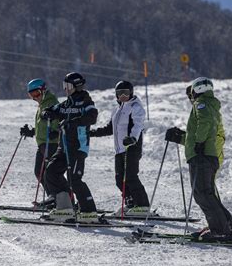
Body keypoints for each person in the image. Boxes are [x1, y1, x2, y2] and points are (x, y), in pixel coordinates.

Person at [165, 77, 232, 240]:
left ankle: (220, 229)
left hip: (203, 157)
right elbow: (201, 133)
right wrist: (180, 137)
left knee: (203, 194)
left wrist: (198, 142)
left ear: (196, 91)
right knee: (207, 193)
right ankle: (227, 227)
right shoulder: (210, 106)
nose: (191, 99)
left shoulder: (202, 104)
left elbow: (204, 127)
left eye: (191, 95)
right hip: (207, 156)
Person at [41, 72, 99, 223]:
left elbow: (92, 117)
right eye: (64, 86)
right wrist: (48, 112)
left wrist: (72, 122)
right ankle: (65, 207)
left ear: (77, 86)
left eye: (67, 86)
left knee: (74, 179)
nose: (65, 89)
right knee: (51, 171)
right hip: (64, 146)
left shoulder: (85, 101)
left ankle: (89, 211)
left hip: (78, 147)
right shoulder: (67, 103)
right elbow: (56, 109)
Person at [90, 80, 150, 216]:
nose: (123, 96)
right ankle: (131, 203)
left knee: (130, 176)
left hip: (131, 147)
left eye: (126, 93)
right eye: (119, 93)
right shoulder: (117, 110)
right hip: (120, 149)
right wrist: (92, 133)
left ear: (131, 93)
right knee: (119, 179)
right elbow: (109, 128)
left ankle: (142, 205)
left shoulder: (135, 106)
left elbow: (138, 125)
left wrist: (133, 138)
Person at [20, 78, 60, 207]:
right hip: (43, 144)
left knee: (51, 173)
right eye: (31, 95)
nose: (34, 97)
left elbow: (60, 123)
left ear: (43, 90)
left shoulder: (51, 103)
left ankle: (63, 199)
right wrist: (31, 132)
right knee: (40, 172)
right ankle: (53, 198)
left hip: (52, 144)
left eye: (36, 93)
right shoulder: (42, 104)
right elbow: (42, 128)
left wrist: (57, 133)